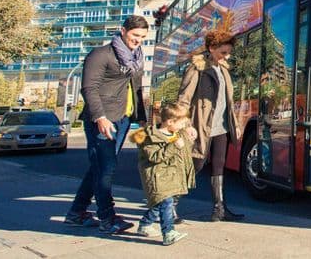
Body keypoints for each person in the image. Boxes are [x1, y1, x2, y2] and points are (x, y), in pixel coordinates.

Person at [64, 15, 148, 233]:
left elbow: (138, 90)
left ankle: (76, 213)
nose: (138, 40)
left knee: (99, 167)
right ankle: (107, 218)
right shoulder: (101, 55)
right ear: (122, 31)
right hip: (103, 119)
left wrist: (142, 119)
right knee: (106, 169)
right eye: (135, 35)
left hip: (124, 118)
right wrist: (100, 117)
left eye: (142, 37)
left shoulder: (136, 58)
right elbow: (89, 88)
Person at [178, 29, 244, 222]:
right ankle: (169, 206)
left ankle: (219, 209)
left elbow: (228, 101)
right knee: (195, 166)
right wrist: (185, 124)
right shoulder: (197, 67)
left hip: (221, 127)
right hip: (201, 127)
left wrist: (235, 124)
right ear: (211, 48)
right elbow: (184, 99)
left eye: (229, 52)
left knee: (219, 166)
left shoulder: (223, 69)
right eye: (224, 52)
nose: (227, 56)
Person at [132, 102, 196, 246]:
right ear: (170, 122)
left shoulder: (177, 133)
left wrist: (190, 138)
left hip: (173, 176)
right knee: (166, 202)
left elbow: (184, 151)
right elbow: (155, 157)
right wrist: (173, 146)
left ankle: (145, 224)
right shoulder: (150, 137)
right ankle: (168, 232)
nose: (183, 126)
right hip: (158, 177)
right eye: (181, 123)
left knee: (159, 203)